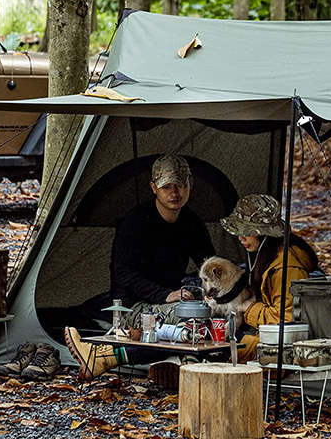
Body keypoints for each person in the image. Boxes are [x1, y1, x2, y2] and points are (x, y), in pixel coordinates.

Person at [64, 153, 215, 380]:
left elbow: (210, 264)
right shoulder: (134, 223)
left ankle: (185, 368)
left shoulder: (192, 223)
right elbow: (124, 275)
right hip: (133, 306)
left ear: (190, 185)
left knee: (214, 316)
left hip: (171, 302)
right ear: (154, 188)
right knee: (192, 321)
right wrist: (166, 295)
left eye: (180, 185)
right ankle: (106, 356)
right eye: (167, 187)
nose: (175, 193)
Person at [220, 194, 318, 362]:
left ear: (265, 234)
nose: (241, 238)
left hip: (281, 346)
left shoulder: (286, 268)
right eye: (240, 231)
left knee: (219, 347)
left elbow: (287, 322)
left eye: (248, 232)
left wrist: (250, 308)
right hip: (265, 336)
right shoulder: (267, 257)